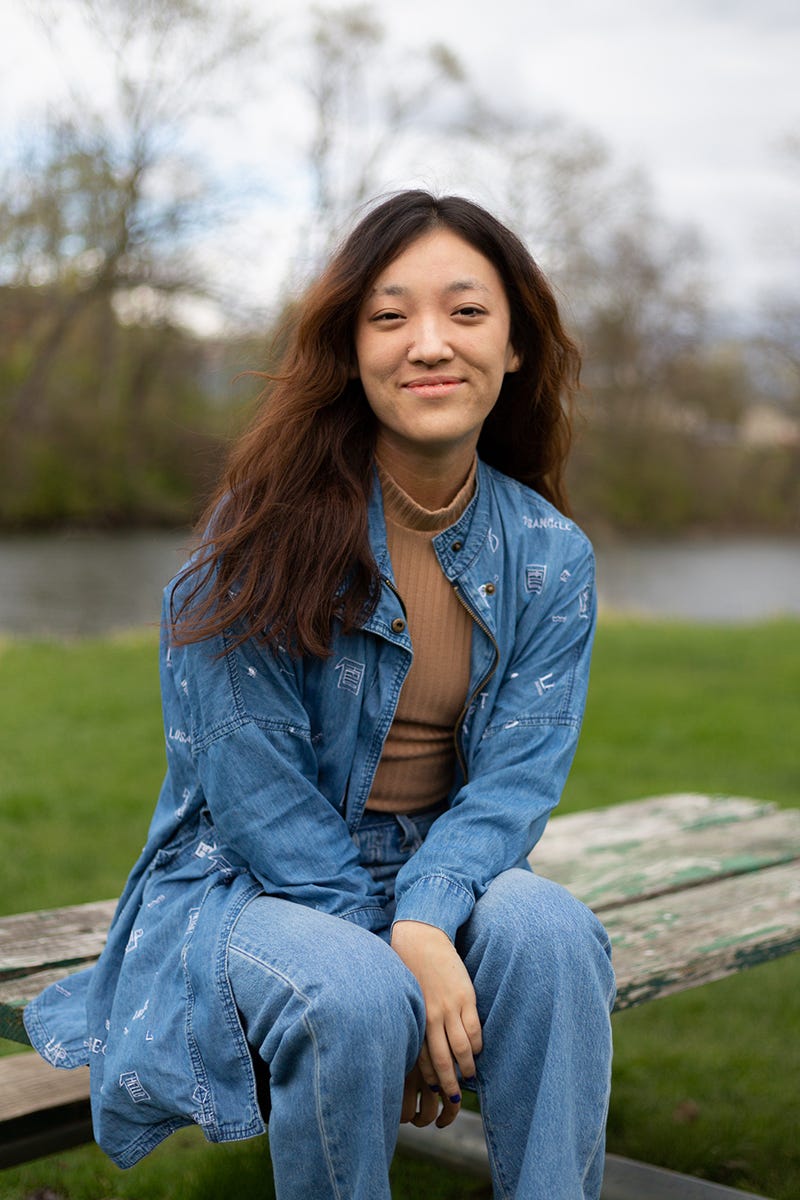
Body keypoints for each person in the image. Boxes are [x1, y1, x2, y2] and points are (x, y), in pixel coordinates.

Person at [25, 191, 615, 1199]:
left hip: (437, 865)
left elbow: (515, 784)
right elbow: (255, 793)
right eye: (389, 317)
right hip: (250, 880)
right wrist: (391, 958)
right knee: (350, 992)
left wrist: (425, 920)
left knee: (553, 934)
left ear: (513, 345)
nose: (428, 343)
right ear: (350, 349)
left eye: (465, 312)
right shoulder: (253, 538)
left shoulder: (551, 556)